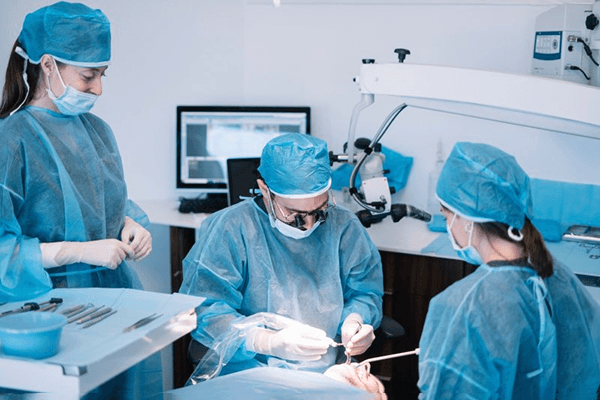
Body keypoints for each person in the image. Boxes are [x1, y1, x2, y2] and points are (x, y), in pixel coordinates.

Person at [0, 2, 162, 398]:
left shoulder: (97, 131)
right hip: (40, 316)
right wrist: (75, 252)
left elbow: (105, 201)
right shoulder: (11, 140)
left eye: (103, 75)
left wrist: (130, 224)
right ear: (49, 65)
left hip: (111, 305)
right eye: (89, 75)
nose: (98, 88)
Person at [179, 133, 383, 377]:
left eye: (319, 212)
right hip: (247, 373)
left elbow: (365, 292)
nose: (308, 225)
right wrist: (264, 340)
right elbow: (206, 309)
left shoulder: (344, 227)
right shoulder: (231, 228)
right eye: (295, 214)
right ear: (265, 190)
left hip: (325, 374)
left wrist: (355, 320)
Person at [417, 142, 600, 399]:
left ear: (467, 219)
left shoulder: (462, 309)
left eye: (447, 216)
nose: (448, 227)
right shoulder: (560, 279)